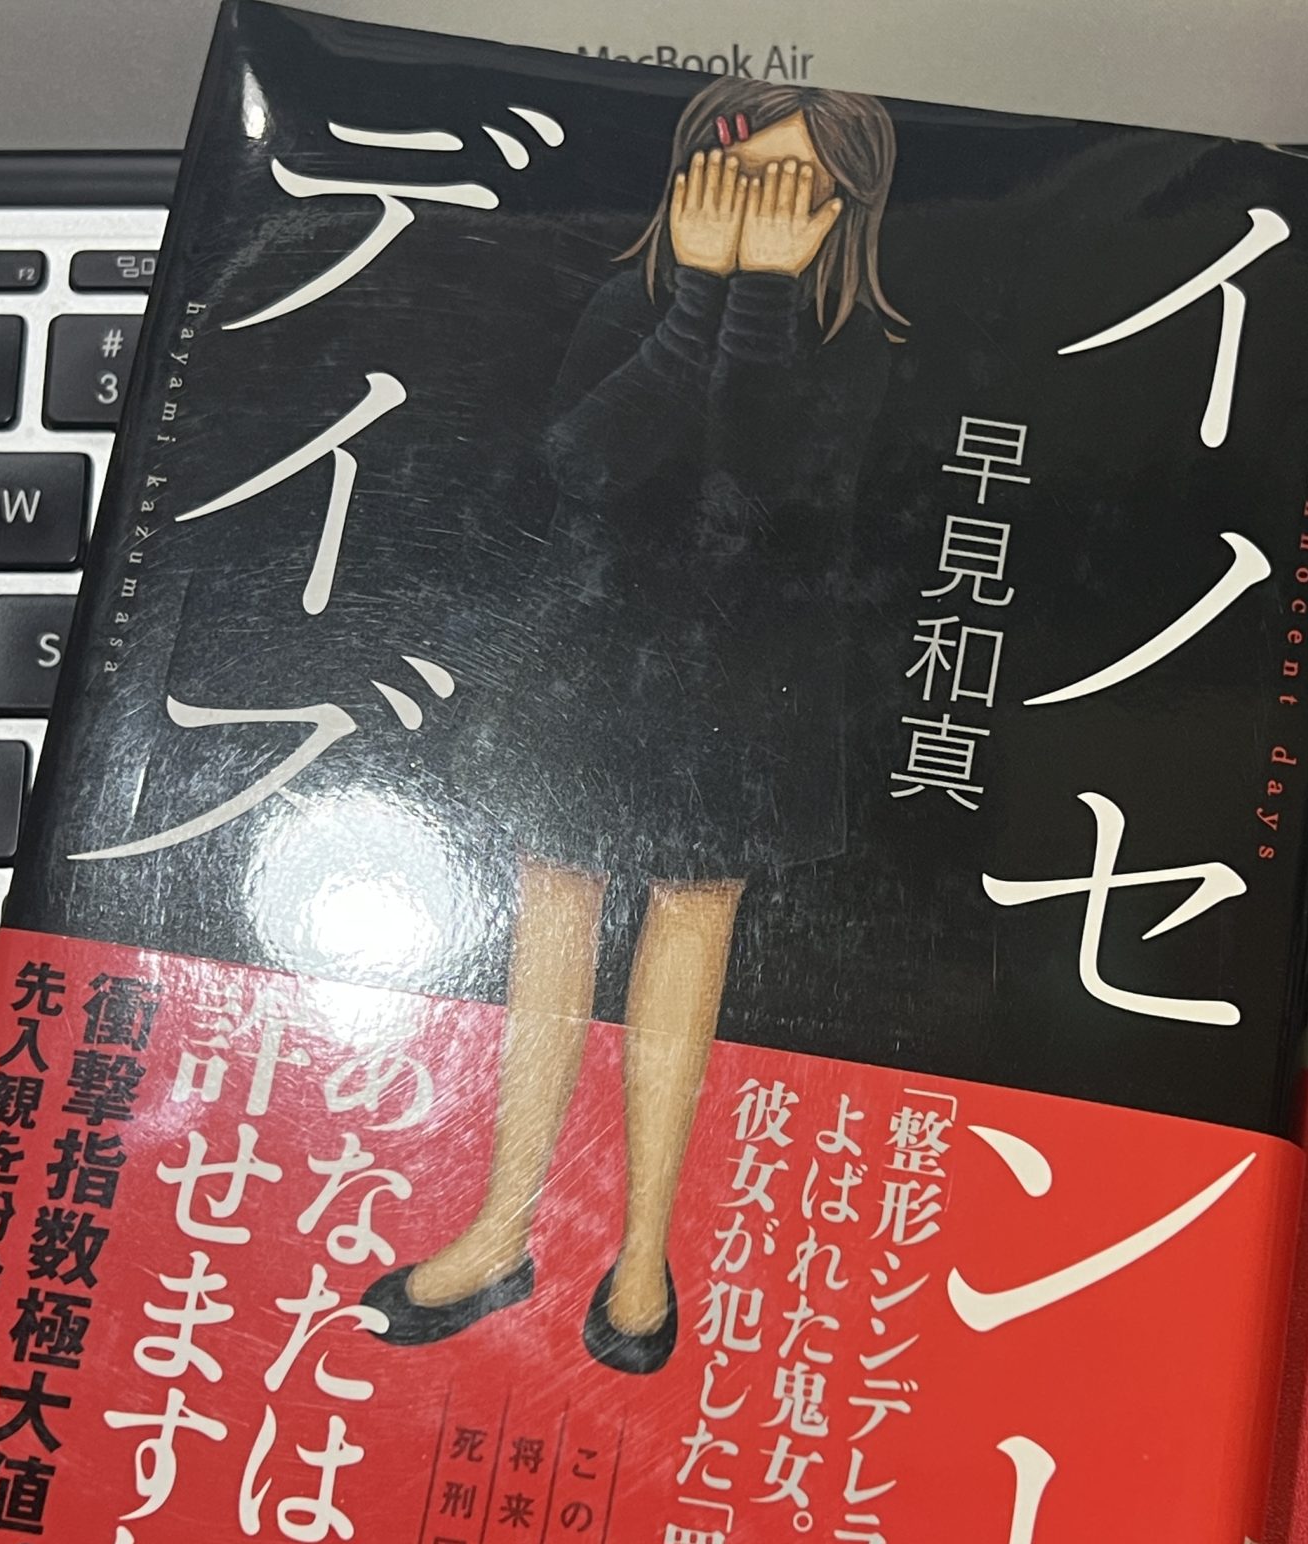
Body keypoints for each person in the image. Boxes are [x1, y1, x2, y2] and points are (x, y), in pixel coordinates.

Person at [363, 79, 906, 1373]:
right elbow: (585, 468)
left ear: (844, 205)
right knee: (553, 902)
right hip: (590, 660)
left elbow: (761, 497)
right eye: (741, 174)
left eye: (792, 186)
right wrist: (705, 298)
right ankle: (503, 1231)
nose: (757, 204)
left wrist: (755, 300)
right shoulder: (630, 303)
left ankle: (645, 1250)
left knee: (693, 915)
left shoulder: (859, 346)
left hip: (744, 685)